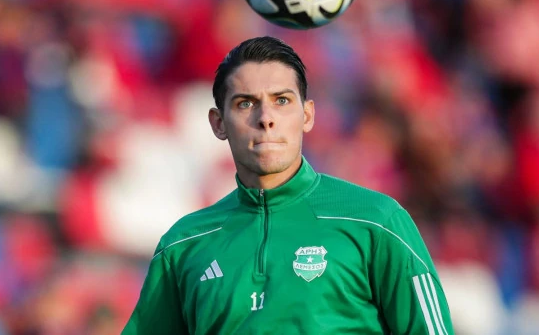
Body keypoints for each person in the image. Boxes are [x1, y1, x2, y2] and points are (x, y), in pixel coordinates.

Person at [122, 36, 454, 334]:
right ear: (218, 123)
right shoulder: (183, 244)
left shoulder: (376, 221)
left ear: (307, 115)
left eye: (281, 101)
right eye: (245, 103)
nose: (266, 118)